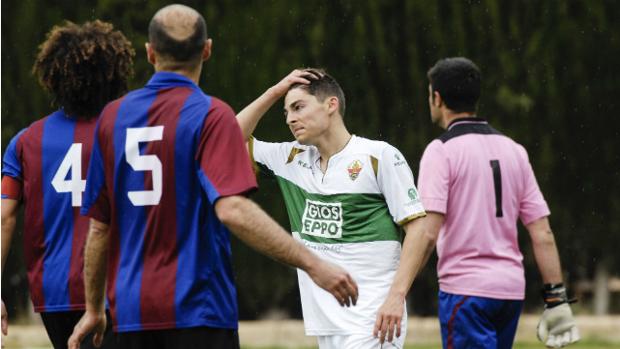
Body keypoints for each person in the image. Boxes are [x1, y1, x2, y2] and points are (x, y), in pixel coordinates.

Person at [67, 5, 358, 349]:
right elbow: (232, 209)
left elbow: (99, 226)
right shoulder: (210, 114)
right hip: (199, 310)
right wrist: (313, 265)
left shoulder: (112, 117)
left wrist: (92, 308)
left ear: (149, 52)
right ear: (207, 49)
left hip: (131, 314)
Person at [235, 68, 429, 349]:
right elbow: (228, 138)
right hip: (326, 323)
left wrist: (396, 297)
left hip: (373, 318)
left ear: (331, 105)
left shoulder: (379, 156)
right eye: (286, 112)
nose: (290, 118)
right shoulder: (290, 158)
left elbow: (418, 228)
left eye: (299, 107)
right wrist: (275, 91)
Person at [412, 57, 580, 348]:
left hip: (466, 291)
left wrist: (397, 290)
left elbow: (427, 232)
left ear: (437, 98)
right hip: (510, 293)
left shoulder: (441, 151)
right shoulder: (514, 150)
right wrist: (556, 298)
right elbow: (543, 233)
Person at [1, 20, 135, 348]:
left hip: (54, 289)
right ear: (113, 76)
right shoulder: (129, 134)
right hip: (115, 285)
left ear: (54, 76)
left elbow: (4, 218)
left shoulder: (25, 141)